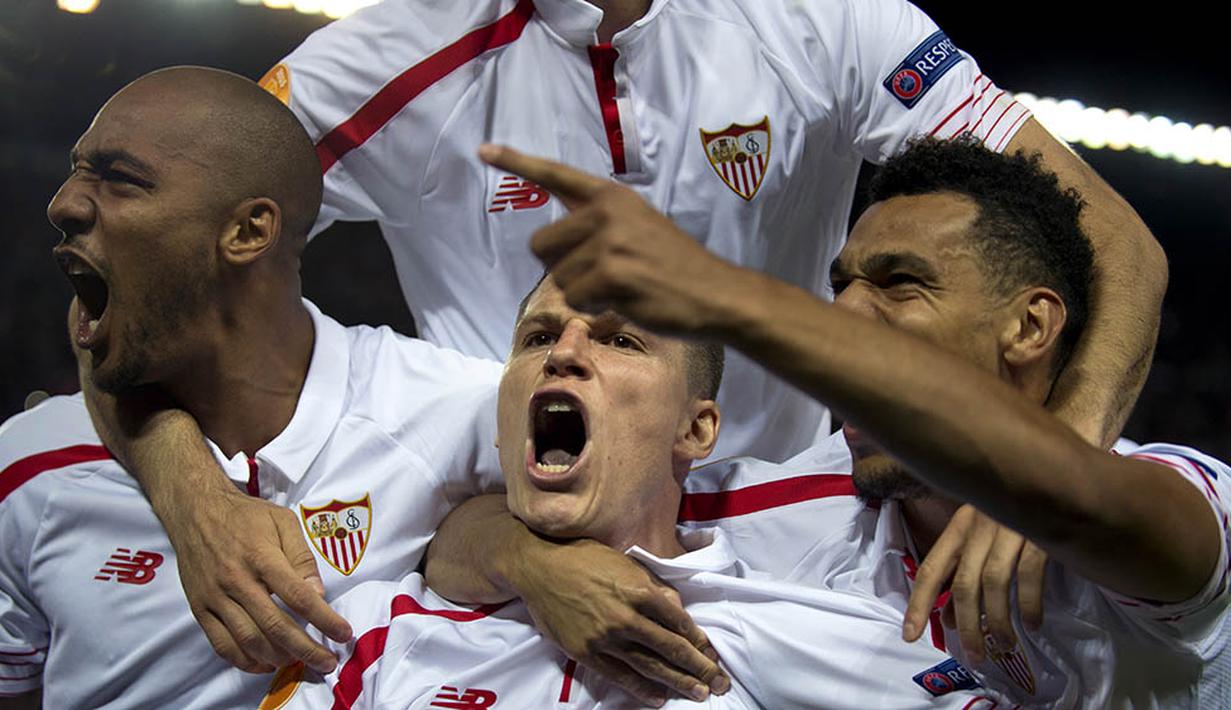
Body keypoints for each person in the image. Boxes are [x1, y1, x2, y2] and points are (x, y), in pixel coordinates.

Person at [95, 0, 1171, 675]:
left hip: (818, 545)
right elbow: (121, 282)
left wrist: (1051, 476)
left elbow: (1114, 243)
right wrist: (192, 497)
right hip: (497, 551)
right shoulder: (384, 57)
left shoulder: (831, 22)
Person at [476, 138, 1231, 706]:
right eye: (838, 286)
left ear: (1029, 327)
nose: (847, 313)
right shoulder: (802, 500)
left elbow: (1088, 498)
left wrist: (724, 297)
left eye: (899, 285)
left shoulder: (1172, 500)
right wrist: (533, 559)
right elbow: (489, 520)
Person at [0, 66, 507, 707]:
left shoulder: (458, 410)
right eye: (78, 169)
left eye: (120, 178)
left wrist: (526, 555)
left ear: (248, 232)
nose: (63, 203)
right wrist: (194, 501)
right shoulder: (29, 464)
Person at [266, 276, 1012, 709]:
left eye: (620, 341)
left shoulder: (820, 636)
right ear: (500, 430)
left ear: (696, 430)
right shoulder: (370, 633)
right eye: (537, 338)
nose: (564, 353)